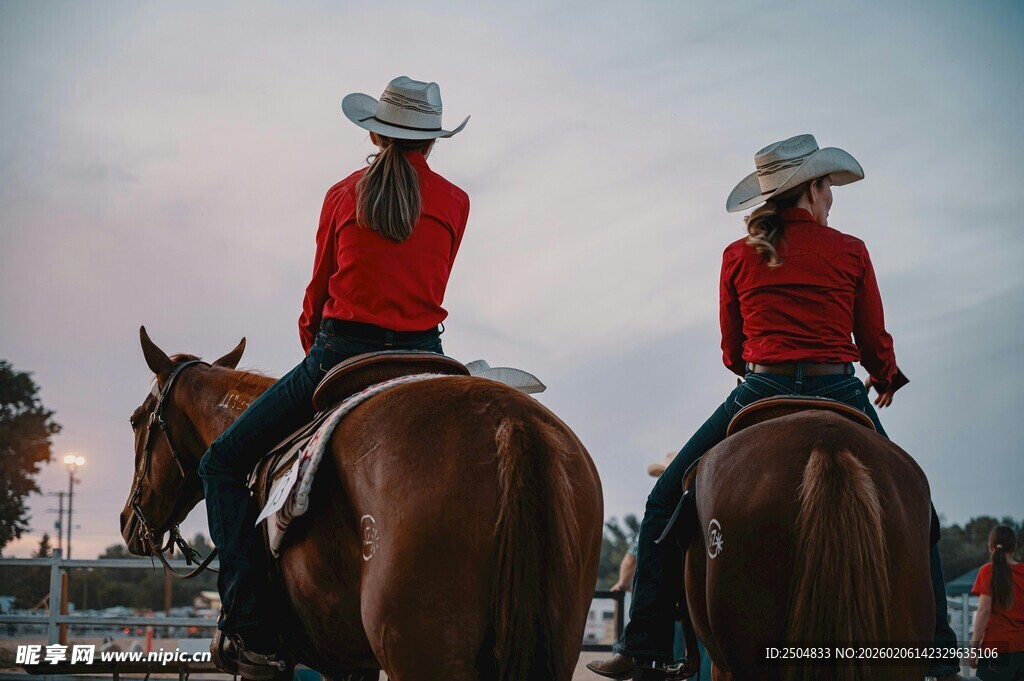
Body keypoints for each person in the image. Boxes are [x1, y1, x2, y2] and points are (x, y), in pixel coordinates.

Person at [589, 134, 961, 680]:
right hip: (842, 390)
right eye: (829, 188)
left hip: (762, 389)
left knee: (663, 501)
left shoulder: (738, 255)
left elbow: (730, 348)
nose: (831, 198)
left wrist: (756, 364)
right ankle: (940, 648)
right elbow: (874, 335)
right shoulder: (851, 249)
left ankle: (644, 643)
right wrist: (885, 377)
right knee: (918, 507)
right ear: (812, 189)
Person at [197, 76, 470, 679]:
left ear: (375, 131)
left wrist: (316, 353)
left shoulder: (342, 194)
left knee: (219, 463)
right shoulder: (456, 201)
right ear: (433, 141)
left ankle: (248, 627)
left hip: (343, 355)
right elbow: (433, 281)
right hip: (427, 358)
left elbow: (317, 295)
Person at [969, 525, 1024, 680]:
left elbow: (984, 611)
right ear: (1014, 547)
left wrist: (973, 648)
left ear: (990, 547)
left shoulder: (988, 571)